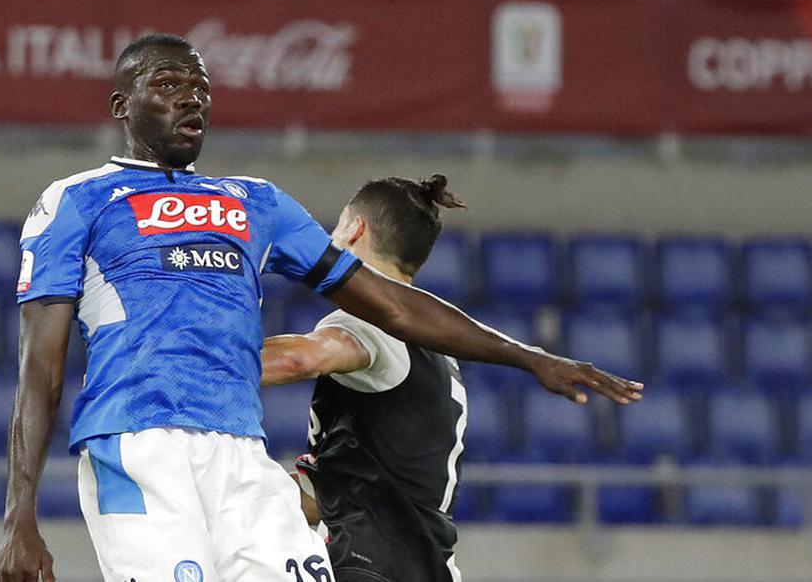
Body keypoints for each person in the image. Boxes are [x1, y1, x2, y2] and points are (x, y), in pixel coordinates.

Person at [0, 33, 643, 582]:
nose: (191, 96)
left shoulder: (256, 202)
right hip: (136, 448)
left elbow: (391, 306)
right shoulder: (75, 200)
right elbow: (38, 368)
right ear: (120, 106)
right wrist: (20, 515)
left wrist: (529, 358)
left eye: (201, 86)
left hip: (242, 458)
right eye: (167, 84)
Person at [261, 174, 644, 581]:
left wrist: (198, 360)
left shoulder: (369, 323)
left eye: (337, 225)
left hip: (374, 568)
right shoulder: (435, 351)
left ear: (355, 229)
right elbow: (345, 493)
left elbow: (301, 360)